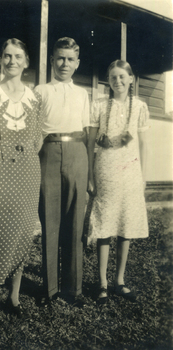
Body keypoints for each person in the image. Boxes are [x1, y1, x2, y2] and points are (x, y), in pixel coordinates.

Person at [0, 38, 42, 324]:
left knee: (23, 232)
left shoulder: (34, 98)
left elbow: (38, 137)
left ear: (26, 62)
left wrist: (25, 155)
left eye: (17, 56)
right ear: (1, 60)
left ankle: (13, 297)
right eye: (6, 56)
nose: (11, 61)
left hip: (28, 171)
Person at [87, 60, 149, 303]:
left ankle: (119, 281)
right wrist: (90, 176)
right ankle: (102, 283)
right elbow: (90, 143)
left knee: (126, 225)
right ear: (108, 81)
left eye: (123, 77)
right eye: (113, 77)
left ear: (131, 79)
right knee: (105, 225)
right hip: (105, 171)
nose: (118, 81)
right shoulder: (100, 105)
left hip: (131, 172)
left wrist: (145, 176)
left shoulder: (141, 106)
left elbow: (143, 144)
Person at [34, 37, 89, 303]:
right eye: (60, 58)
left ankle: (73, 288)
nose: (64, 64)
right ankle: (50, 290)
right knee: (50, 220)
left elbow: (88, 131)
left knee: (75, 222)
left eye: (70, 59)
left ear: (77, 64)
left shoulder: (83, 93)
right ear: (52, 60)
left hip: (77, 152)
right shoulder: (41, 91)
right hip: (48, 152)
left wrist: (87, 172)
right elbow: (34, 132)